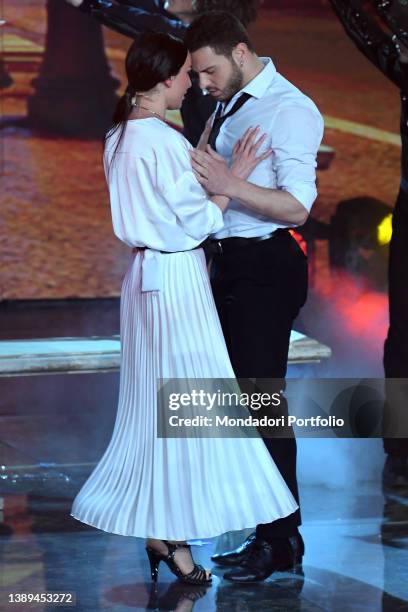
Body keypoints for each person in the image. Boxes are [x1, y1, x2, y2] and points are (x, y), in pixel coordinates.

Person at [70, 31, 299, 585]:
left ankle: (166, 531)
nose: (193, 85)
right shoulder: (155, 140)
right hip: (174, 280)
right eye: (187, 77)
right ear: (166, 78)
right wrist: (233, 178)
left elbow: (169, 198)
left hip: (146, 279)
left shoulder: (120, 134)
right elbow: (196, 219)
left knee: (160, 409)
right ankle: (175, 531)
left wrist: (203, 160)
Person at [186, 12, 324, 582]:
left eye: (208, 71)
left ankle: (282, 538)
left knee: (263, 404)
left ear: (240, 53)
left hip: (267, 265)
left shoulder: (290, 109)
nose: (201, 86)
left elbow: (297, 207)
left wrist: (229, 184)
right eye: (194, 76)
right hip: (231, 264)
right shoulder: (234, 97)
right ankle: (266, 529)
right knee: (242, 405)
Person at [64, 0, 260, 144]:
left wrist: (89, 4)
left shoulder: (202, 42)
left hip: (226, 170)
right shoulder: (208, 33)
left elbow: (148, 23)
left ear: (196, 4)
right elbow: (147, 10)